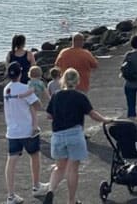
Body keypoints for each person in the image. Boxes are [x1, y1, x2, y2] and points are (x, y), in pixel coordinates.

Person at [43, 68, 111, 204]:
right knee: (73, 169)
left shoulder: (56, 95)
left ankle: (51, 190)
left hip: (57, 135)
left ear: (64, 80)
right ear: (77, 81)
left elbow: (49, 115)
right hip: (74, 133)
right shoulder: (80, 96)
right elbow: (92, 114)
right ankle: (71, 201)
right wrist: (105, 120)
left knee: (59, 167)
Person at [3, 62, 50, 204]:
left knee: (12, 160)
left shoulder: (6, 89)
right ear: (20, 73)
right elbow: (38, 105)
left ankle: (11, 195)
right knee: (34, 156)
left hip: (12, 130)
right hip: (28, 129)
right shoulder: (25, 88)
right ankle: (36, 186)